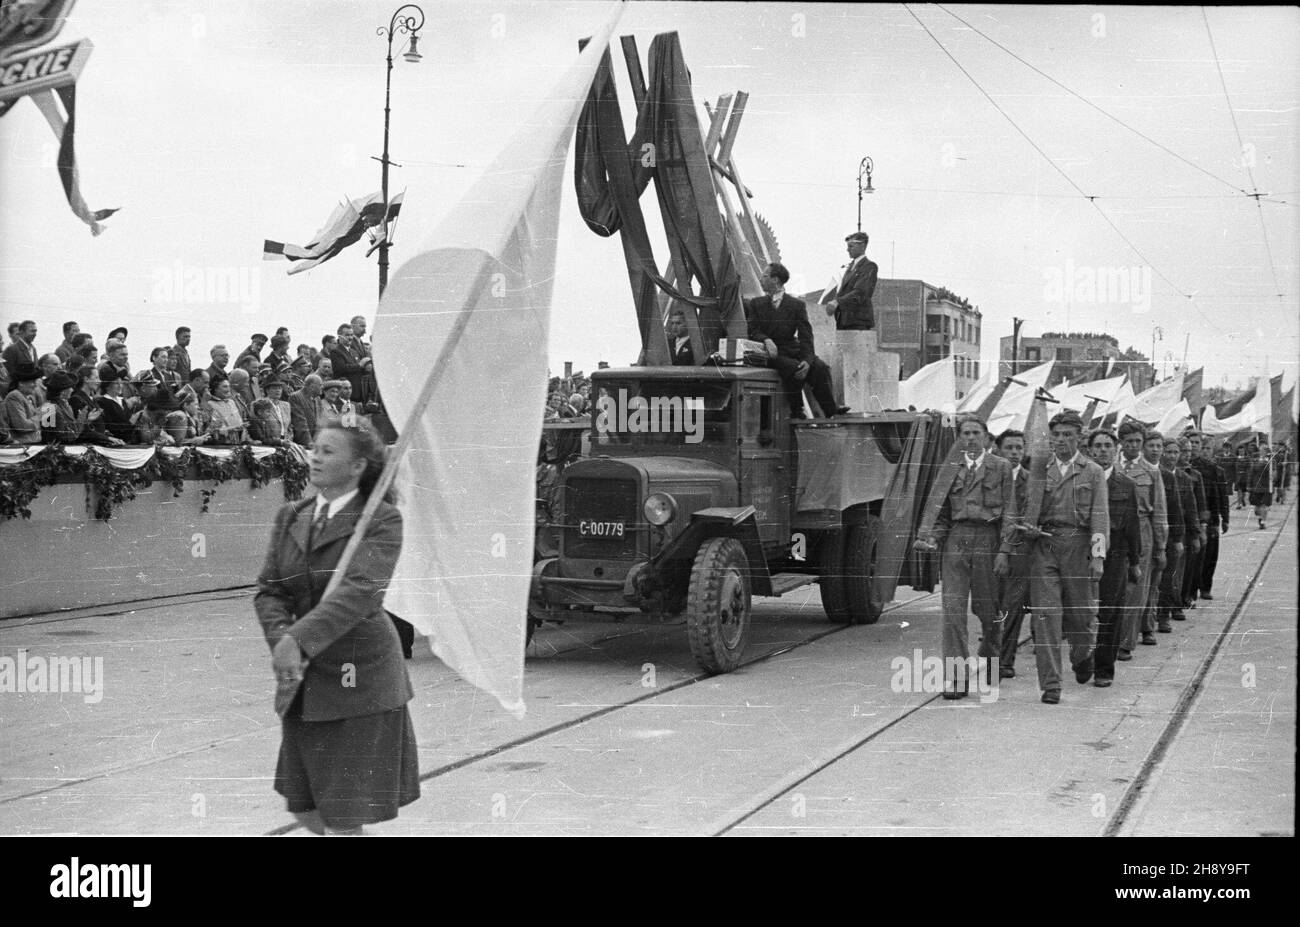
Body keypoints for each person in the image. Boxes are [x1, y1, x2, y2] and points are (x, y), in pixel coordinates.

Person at [254, 421, 419, 834]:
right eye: (313, 448)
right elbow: (269, 591)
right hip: (303, 680)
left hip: (359, 681)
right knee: (305, 808)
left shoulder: (381, 520)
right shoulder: (291, 515)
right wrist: (282, 641)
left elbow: (360, 592)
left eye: (328, 451)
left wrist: (297, 638)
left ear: (358, 464)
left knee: (342, 816)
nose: (315, 456)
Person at [913, 414, 1017, 697]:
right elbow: (942, 514)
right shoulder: (950, 469)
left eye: (975, 433)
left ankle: (992, 654)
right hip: (957, 542)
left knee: (989, 612)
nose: (970, 438)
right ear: (959, 438)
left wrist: (1005, 551)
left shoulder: (1002, 467)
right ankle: (956, 680)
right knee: (952, 612)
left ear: (986, 437)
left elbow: (1010, 512)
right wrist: (932, 537)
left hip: (989, 540)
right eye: (965, 433)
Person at [1020, 410, 1108, 705]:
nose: (1060, 440)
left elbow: (1099, 516)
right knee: (1046, 616)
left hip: (1079, 546)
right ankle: (1051, 684)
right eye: (1056, 435)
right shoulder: (1039, 469)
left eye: (1067, 435)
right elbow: (1025, 507)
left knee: (1081, 619)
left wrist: (1098, 556)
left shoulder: (1092, 471)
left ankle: (1082, 655)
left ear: (1079, 438)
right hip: (1044, 546)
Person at [745, 262, 848, 419]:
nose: (761, 279)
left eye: (765, 276)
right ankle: (797, 409)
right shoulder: (756, 304)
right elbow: (753, 330)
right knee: (794, 368)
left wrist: (808, 359)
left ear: (776, 280)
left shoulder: (796, 305)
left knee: (819, 367)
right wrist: (766, 340)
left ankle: (831, 410)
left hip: (792, 349)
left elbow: (806, 335)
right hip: (770, 353)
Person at [1086, 429, 1141, 687]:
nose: (1103, 450)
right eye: (1098, 446)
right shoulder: (1081, 481)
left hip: (1115, 554)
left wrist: (1135, 561)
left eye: (1108, 445)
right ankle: (1084, 659)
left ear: (1115, 449)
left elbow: (1132, 524)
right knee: (1081, 611)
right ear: (1090, 450)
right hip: (1082, 553)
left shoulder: (1126, 485)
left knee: (1110, 611)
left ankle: (1104, 669)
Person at [1115, 422, 1166, 658]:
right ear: (1121, 442)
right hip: (1115, 532)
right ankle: (1109, 638)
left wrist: (1160, 546)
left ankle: (1125, 643)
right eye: (1129, 441)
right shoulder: (1109, 467)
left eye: (1137, 441)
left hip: (1143, 531)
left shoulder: (1151, 471)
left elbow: (1160, 512)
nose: (1133, 446)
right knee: (1112, 587)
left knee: (1136, 588)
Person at [993, 429, 1031, 679]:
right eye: (1009, 448)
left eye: (1019, 448)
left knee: (1013, 607)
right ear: (998, 449)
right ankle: (992, 652)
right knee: (989, 605)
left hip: (1019, 551)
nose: (1015, 453)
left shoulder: (1033, 480)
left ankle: (1005, 660)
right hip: (988, 547)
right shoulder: (990, 476)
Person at [1144, 432, 1182, 635]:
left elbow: (1175, 509)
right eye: (1152, 446)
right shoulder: (1133, 471)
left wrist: (1177, 539)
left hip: (1164, 535)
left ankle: (1162, 617)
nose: (1156, 450)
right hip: (1142, 534)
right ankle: (1145, 624)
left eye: (1159, 446)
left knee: (1163, 579)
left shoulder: (1167, 476)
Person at [1186, 432, 1228, 602]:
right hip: (1188, 517)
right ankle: (1190, 590)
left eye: (1198, 443)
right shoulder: (1181, 466)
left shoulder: (1213, 469)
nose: (1195, 446)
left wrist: (1224, 518)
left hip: (1209, 518)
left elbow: (1221, 495)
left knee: (1209, 556)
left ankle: (1205, 587)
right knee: (1192, 558)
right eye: (1192, 443)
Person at [822, 232, 877, 331]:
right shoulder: (850, 268)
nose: (847, 250)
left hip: (858, 322)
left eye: (851, 246)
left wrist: (837, 302)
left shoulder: (869, 266)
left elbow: (861, 293)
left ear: (863, 245)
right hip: (844, 321)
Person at [1177, 437, 1209, 611]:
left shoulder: (1195, 475)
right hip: (1175, 524)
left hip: (1190, 525)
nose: (1187, 454)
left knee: (1189, 565)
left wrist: (1202, 527)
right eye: (1184, 450)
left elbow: (1201, 504)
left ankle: (1185, 596)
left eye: (1189, 451)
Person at [4, 364, 45, 444]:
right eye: (32, 382)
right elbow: (22, 426)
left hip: (33, 443)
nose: (35, 385)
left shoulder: (29, 397)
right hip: (23, 445)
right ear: (21, 383)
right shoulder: (14, 396)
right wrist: (40, 416)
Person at [204, 375, 248, 444]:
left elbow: (239, 423)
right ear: (215, 389)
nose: (228, 389)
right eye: (225, 387)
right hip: (223, 445)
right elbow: (212, 430)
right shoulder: (210, 404)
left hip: (238, 443)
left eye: (229, 386)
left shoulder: (231, 402)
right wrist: (232, 429)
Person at [290, 374, 325, 446]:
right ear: (312, 386)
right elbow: (300, 423)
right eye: (320, 385)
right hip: (303, 444)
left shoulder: (318, 399)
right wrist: (309, 443)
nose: (322, 387)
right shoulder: (296, 397)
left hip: (315, 442)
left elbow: (321, 422)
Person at [1247, 442, 1273, 529]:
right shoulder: (1255, 460)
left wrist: (1272, 472)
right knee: (1257, 508)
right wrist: (1249, 485)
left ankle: (1263, 522)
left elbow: (1274, 475)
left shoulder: (1271, 462)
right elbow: (1251, 473)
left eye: (1264, 450)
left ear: (1267, 452)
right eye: (1261, 450)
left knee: (1264, 506)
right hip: (1256, 486)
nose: (1262, 452)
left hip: (1266, 486)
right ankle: (1260, 517)